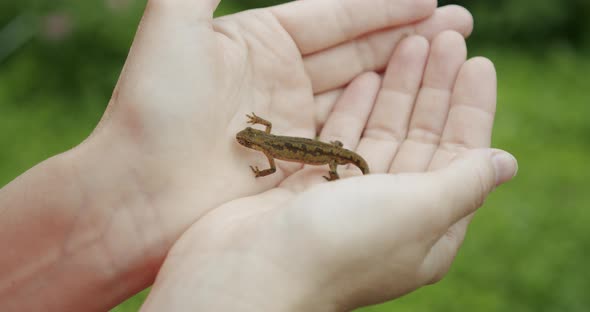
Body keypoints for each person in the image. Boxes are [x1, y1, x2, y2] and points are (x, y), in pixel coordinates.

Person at [0, 0, 517, 311]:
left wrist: (334, 167)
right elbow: (270, 148)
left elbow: (273, 156)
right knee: (330, 155)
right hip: (320, 148)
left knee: (336, 160)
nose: (251, 144)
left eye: (249, 142)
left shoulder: (275, 151)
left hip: (330, 153)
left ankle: (345, 171)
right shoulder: (267, 144)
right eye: (251, 142)